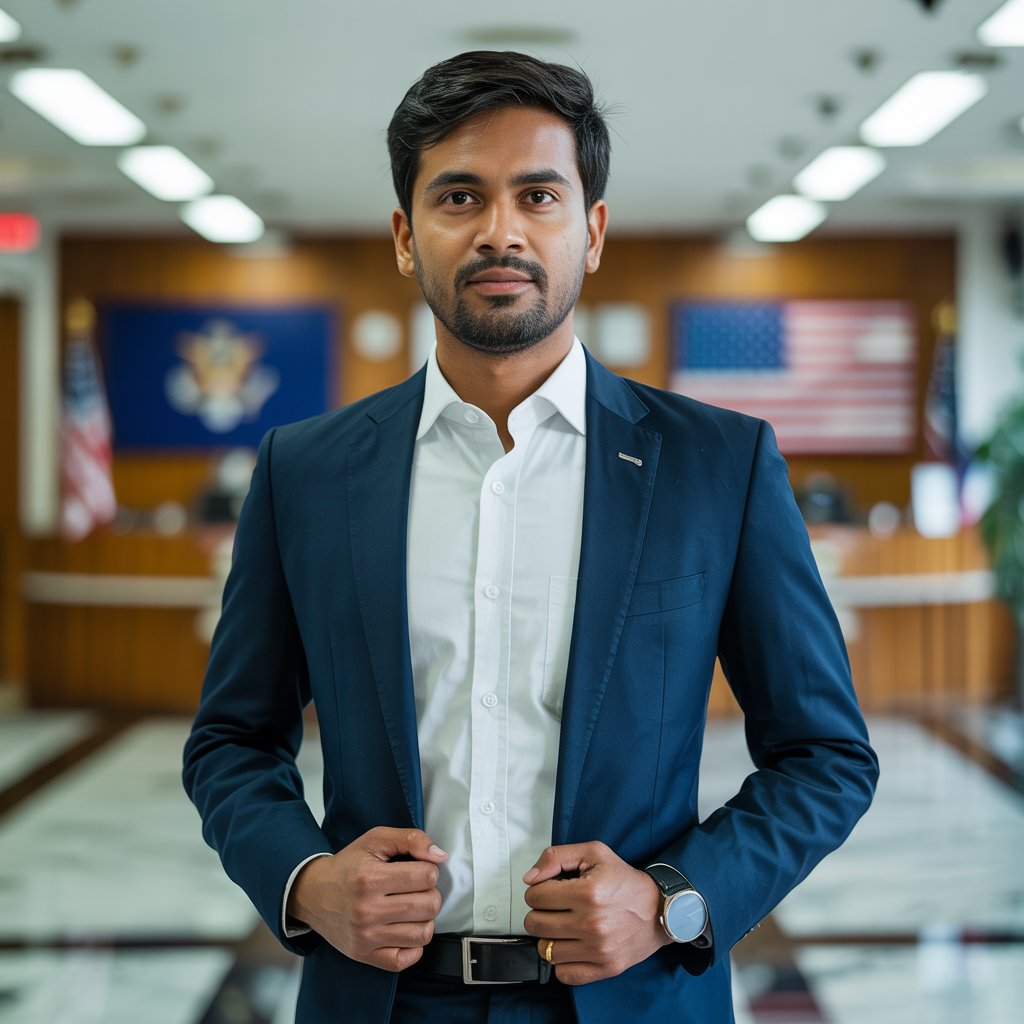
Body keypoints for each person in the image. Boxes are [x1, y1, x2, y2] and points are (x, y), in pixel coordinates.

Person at [183, 50, 878, 1024]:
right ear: (404, 234)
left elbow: (825, 755)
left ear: (590, 232)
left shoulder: (716, 466)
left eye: (538, 195)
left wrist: (672, 899)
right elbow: (230, 738)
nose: (499, 230)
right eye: (459, 196)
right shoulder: (306, 470)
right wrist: (303, 880)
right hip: (379, 1002)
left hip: (629, 998)